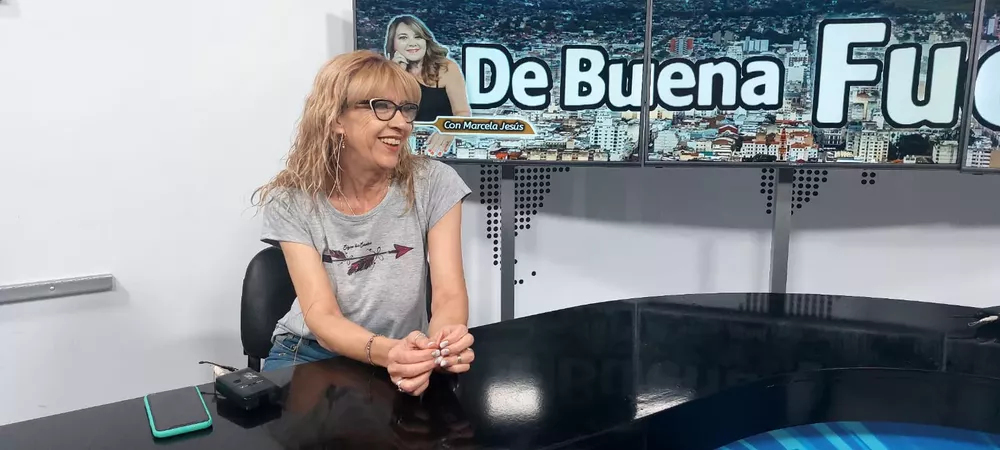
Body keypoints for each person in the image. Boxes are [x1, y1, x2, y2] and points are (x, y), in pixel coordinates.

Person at [252, 50, 476, 396]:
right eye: (381, 107)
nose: (401, 123)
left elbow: (448, 294)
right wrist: (391, 353)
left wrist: (439, 347)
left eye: (406, 109)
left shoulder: (435, 182)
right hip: (310, 353)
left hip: (405, 349)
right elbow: (322, 316)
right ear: (336, 118)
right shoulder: (291, 200)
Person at [384, 15, 471, 156]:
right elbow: (386, 116)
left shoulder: (446, 68)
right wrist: (397, 74)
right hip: (401, 150)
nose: (412, 43)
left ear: (425, 41)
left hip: (440, 151)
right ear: (393, 44)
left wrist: (449, 131)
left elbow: (463, 113)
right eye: (403, 38)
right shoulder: (386, 73)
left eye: (418, 37)